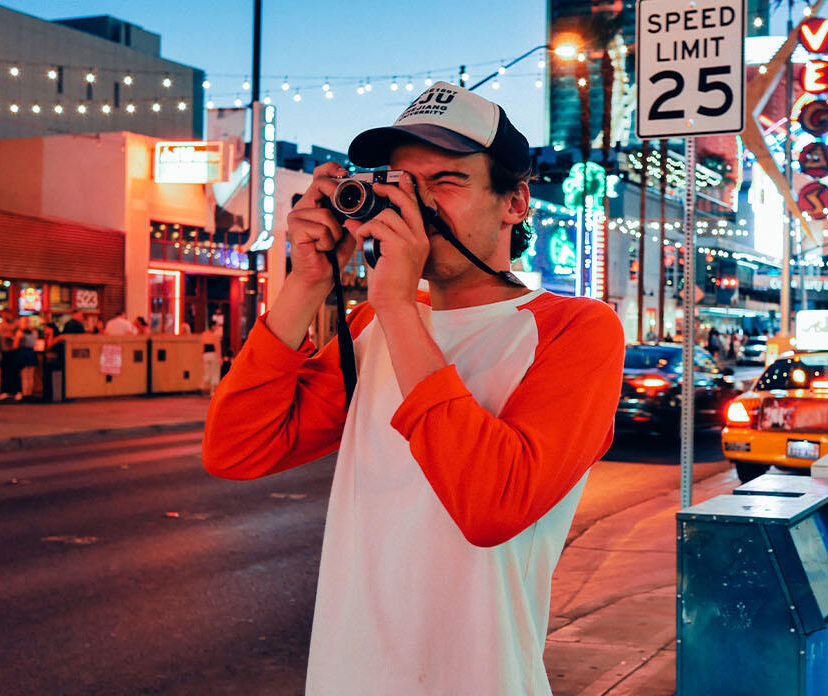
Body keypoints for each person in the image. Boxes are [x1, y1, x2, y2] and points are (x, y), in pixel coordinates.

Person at [200, 82, 623, 694]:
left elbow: (490, 506)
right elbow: (237, 449)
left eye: (446, 183)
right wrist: (306, 284)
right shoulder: (372, 323)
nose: (417, 205)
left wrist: (398, 304)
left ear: (515, 202)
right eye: (403, 184)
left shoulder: (575, 329)